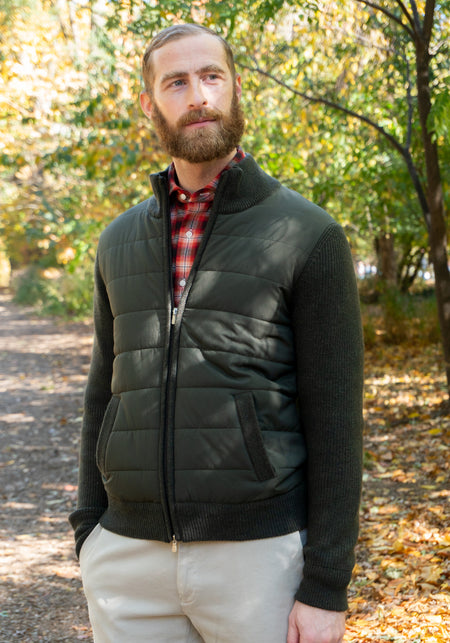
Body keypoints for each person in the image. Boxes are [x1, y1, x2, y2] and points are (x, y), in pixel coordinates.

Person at [69, 22, 364, 643]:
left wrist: (327, 585)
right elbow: (104, 391)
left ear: (234, 89)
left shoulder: (307, 234)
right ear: (150, 104)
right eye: (176, 82)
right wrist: (89, 531)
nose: (198, 95)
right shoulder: (119, 241)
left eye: (212, 76)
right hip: (127, 559)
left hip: (258, 560)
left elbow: (338, 422)